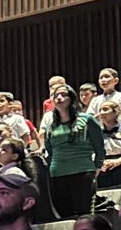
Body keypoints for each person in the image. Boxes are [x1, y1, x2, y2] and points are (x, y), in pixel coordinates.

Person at [43, 83, 106, 217]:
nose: (59, 98)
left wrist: (97, 167)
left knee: (85, 215)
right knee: (64, 215)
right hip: (57, 175)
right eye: (56, 96)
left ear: (72, 98)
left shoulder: (87, 119)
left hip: (82, 172)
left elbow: (99, 147)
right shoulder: (50, 126)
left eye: (64, 95)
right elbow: (50, 152)